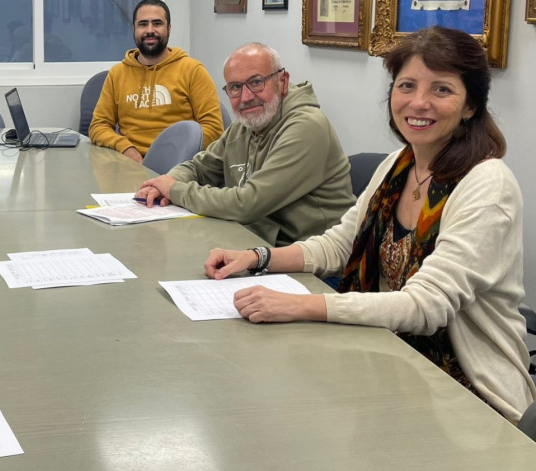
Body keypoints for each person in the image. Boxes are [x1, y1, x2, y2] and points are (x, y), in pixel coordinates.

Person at [204, 27, 535, 423]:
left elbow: (424, 306)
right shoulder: (399, 165)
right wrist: (256, 257)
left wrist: (299, 305)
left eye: (442, 90)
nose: (419, 102)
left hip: (469, 396)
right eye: (407, 85)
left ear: (470, 106)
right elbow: (338, 245)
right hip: (391, 358)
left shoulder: (486, 184)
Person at [135, 42, 355, 247]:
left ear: (283, 81)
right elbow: (199, 167)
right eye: (235, 87)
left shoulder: (307, 126)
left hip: (316, 263)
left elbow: (248, 203)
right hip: (256, 243)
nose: (246, 97)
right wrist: (167, 182)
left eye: (257, 82)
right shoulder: (248, 123)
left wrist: (174, 189)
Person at [89, 0, 224, 163]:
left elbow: (214, 129)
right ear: (134, 29)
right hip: (132, 165)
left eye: (157, 23)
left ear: (169, 28)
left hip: (180, 167)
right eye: (143, 24)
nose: (150, 30)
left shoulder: (192, 70)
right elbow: (98, 126)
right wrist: (125, 148)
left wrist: (177, 155)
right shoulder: (117, 74)